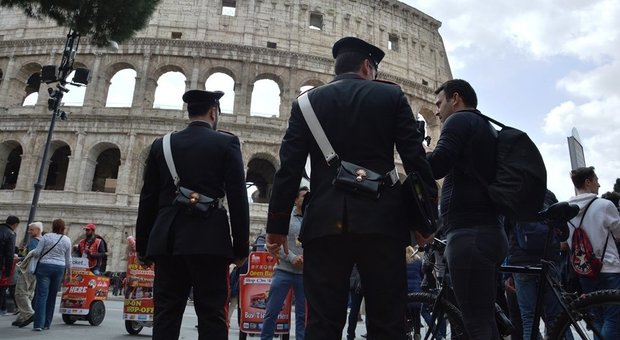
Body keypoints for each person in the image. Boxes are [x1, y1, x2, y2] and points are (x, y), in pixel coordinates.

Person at [265, 37, 436, 339]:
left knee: (322, 322)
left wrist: (277, 225)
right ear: (368, 66)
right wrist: (425, 221)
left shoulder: (305, 104)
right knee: (387, 322)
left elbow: (288, 169)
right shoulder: (390, 96)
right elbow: (416, 163)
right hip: (382, 222)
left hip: (325, 223)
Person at [135, 89, 250, 340]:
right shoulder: (226, 143)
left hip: (167, 240)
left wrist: (142, 247)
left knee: (166, 312)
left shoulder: (161, 144)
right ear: (213, 112)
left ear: (189, 112)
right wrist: (241, 248)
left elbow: (148, 200)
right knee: (211, 314)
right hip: (209, 239)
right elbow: (239, 199)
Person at [427, 79, 508, 339]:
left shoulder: (459, 121)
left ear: (456, 98)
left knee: (475, 322)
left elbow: (437, 166)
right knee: (485, 319)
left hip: (469, 233)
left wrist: (417, 152)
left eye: (439, 104)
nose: (437, 111)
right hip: (490, 232)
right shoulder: (485, 127)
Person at [504, 190, 572, 339]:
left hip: (521, 265)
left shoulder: (512, 195)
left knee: (529, 319)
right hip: (549, 261)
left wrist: (507, 274)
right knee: (557, 317)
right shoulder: (547, 194)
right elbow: (564, 233)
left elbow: (506, 236)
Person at [566, 166, 620, 339]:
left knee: (597, 317)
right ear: (588, 182)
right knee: (614, 318)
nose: (599, 184)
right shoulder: (604, 205)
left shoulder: (567, 209)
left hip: (585, 271)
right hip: (609, 268)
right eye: (596, 180)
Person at [261, 187, 308, 340]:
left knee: (303, 316)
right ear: (295, 199)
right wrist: (292, 257)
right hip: (283, 271)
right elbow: (273, 242)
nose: (306, 199)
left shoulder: (312, 218)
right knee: (272, 312)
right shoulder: (286, 217)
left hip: (304, 275)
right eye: (303, 196)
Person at [32, 218, 72, 331]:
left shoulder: (46, 237)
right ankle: (47, 324)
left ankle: (38, 324)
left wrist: (32, 253)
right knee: (52, 296)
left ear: (52, 226)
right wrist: (69, 272)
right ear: (63, 228)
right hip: (59, 268)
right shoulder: (67, 240)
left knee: (41, 295)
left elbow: (37, 253)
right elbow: (68, 258)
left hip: (44, 266)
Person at [12, 221, 43, 327]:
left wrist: (19, 258)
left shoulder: (34, 241)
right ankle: (21, 317)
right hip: (36, 271)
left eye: (32, 230)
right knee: (29, 293)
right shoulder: (42, 241)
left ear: (38, 230)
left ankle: (29, 314)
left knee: (20, 293)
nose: (29, 232)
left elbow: (31, 256)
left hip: (28, 270)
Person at [0, 215, 19, 316]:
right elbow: (9, 253)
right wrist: (8, 271)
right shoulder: (11, 234)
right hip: (1, 264)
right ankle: (1, 309)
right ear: (15, 224)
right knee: (2, 288)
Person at [346, 265, 364, 340]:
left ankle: (350, 334)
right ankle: (371, 333)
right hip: (361, 281)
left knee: (354, 309)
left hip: (354, 282)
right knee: (369, 309)